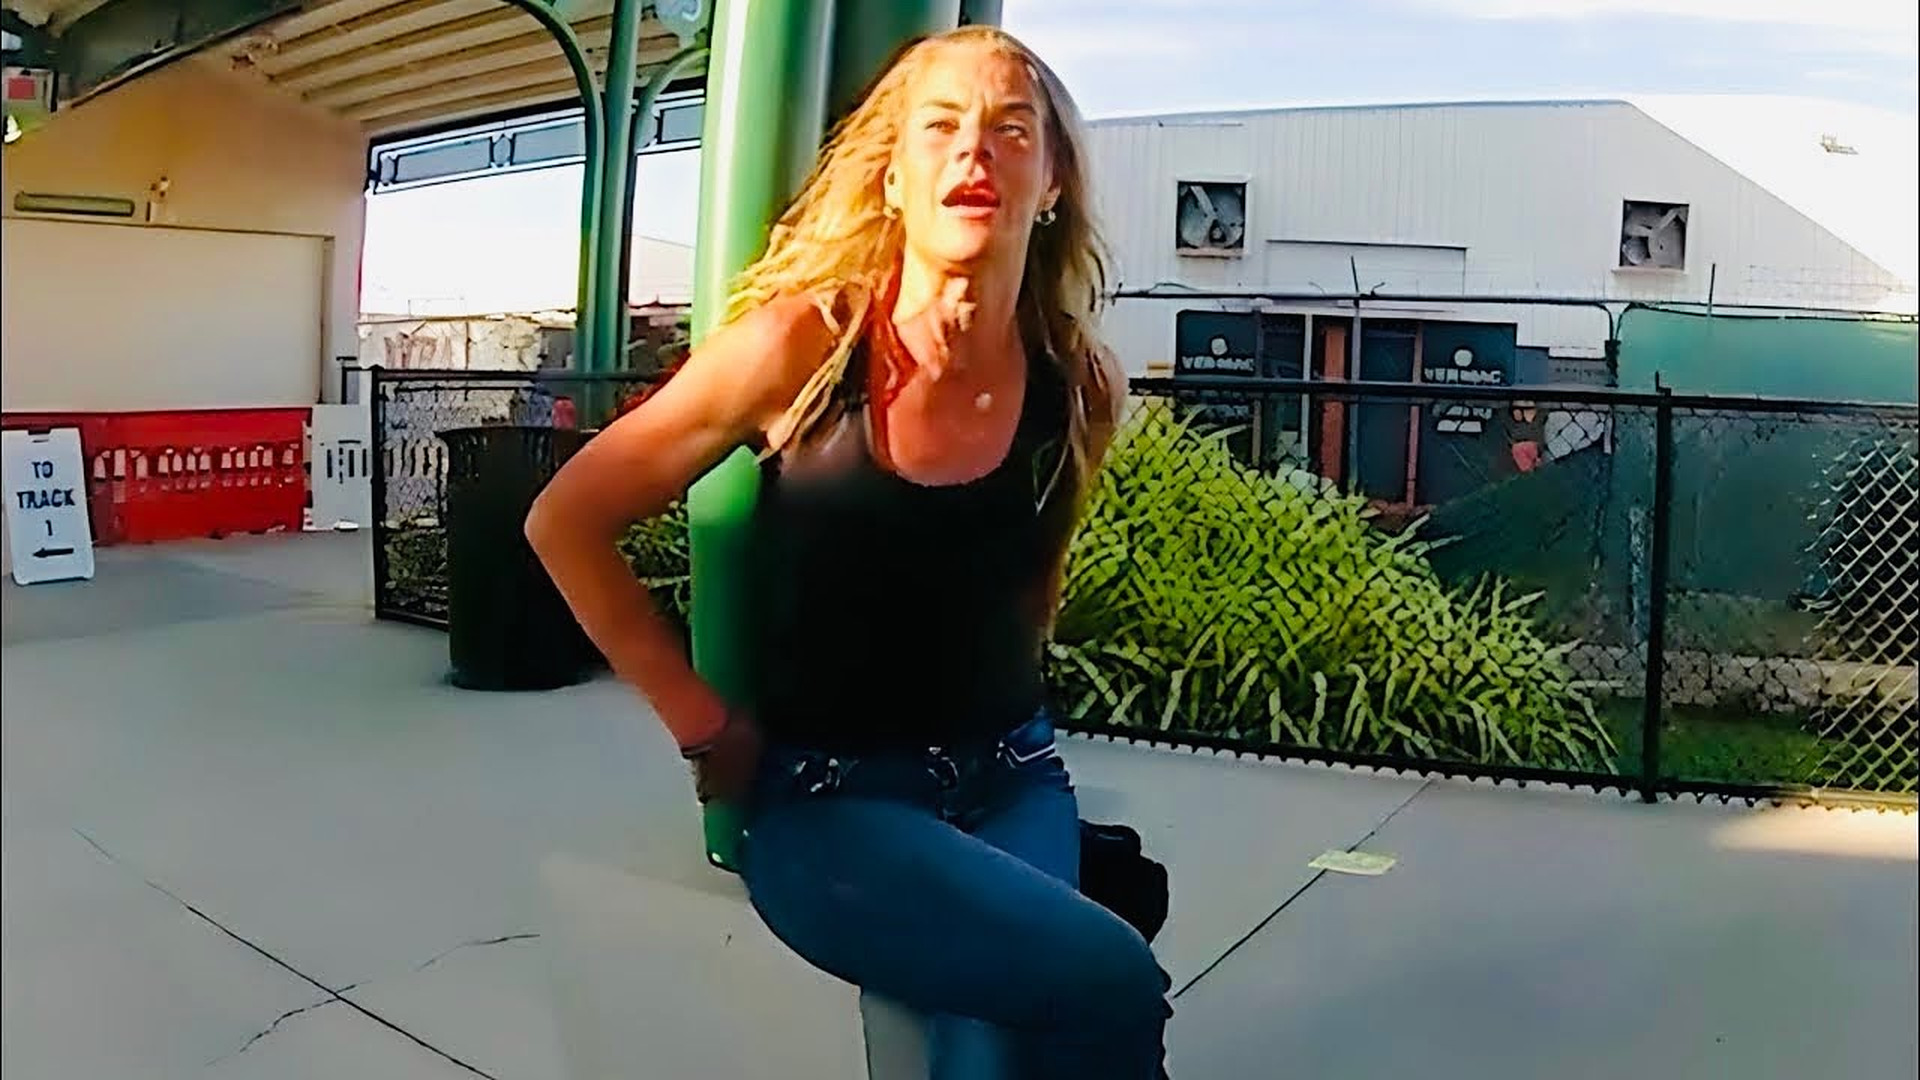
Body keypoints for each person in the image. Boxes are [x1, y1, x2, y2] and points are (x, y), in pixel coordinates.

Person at [526, 25, 1172, 1079]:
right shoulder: (803, 349)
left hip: (1011, 783)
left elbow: (1031, 591)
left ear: (1053, 182)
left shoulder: (1076, 383)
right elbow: (565, 520)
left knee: (987, 1049)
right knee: (1111, 977)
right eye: (941, 127)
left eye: (1012, 130)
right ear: (895, 179)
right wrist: (700, 722)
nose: (975, 152)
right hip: (829, 811)